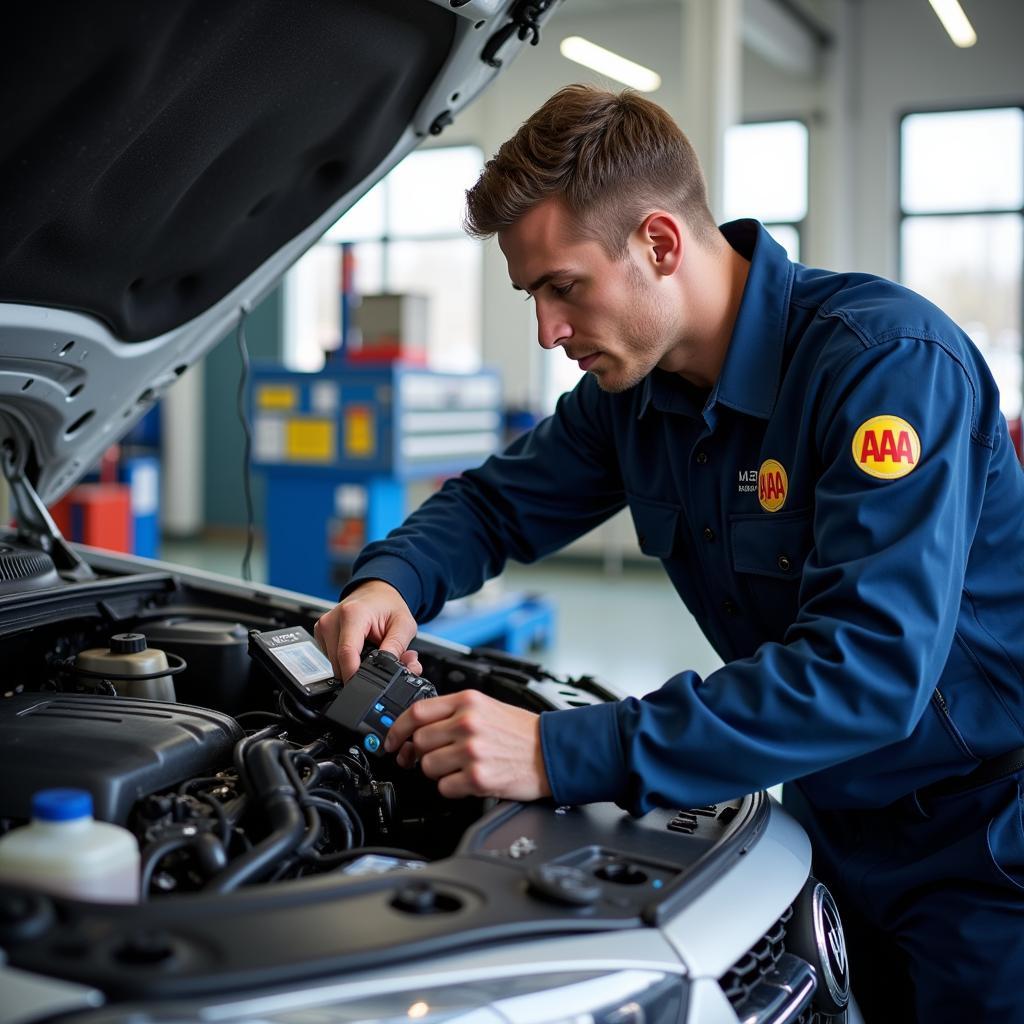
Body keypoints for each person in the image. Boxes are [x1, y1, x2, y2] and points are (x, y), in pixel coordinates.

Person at [314, 85, 1024, 1022]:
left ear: (658, 243)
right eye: (533, 296)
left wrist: (558, 750)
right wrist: (389, 579)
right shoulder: (635, 399)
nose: (547, 331)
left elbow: (869, 673)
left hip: (984, 844)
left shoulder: (884, 365)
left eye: (564, 287)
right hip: (832, 817)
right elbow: (494, 505)